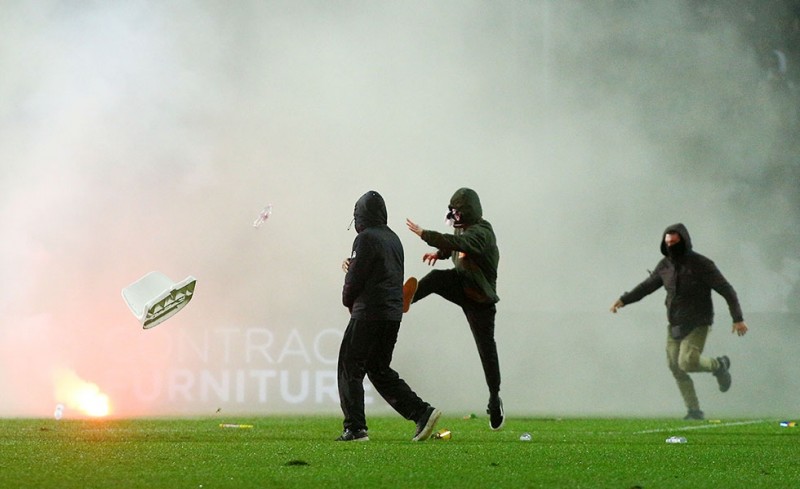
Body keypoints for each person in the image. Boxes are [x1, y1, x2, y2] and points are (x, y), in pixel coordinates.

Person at [610, 223, 748, 420]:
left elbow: (727, 290)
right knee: (675, 366)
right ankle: (694, 410)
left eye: (674, 242)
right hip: (674, 323)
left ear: (684, 241)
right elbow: (646, 287)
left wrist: (738, 318)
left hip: (699, 322)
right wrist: (624, 300)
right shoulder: (664, 266)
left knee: (688, 362)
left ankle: (718, 365)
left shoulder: (702, 264)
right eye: (668, 243)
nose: (671, 246)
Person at [336, 190, 441, 442]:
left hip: (368, 312)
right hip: (392, 314)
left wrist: (347, 297)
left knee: (349, 367)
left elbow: (355, 280)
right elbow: (382, 273)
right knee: (379, 369)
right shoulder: (394, 239)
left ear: (359, 215)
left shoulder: (364, 239)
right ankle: (422, 413)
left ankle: (355, 428)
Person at [405, 187, 504, 431]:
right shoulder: (461, 226)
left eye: (458, 211)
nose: (454, 216)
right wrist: (439, 254)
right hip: (462, 284)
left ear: (468, 212)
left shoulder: (482, 233)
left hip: (480, 298)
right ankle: (401, 301)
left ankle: (494, 397)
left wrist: (425, 234)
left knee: (486, 350)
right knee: (436, 278)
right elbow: (452, 244)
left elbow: (460, 242)